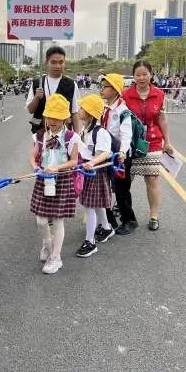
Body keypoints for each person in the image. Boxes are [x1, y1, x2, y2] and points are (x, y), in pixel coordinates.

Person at [29, 94, 81, 274]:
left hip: (62, 181)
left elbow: (74, 161)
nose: (52, 121)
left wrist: (57, 168)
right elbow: (33, 157)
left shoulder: (72, 137)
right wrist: (36, 168)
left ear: (65, 119)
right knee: (41, 220)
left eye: (57, 118)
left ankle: (56, 258)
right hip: (43, 180)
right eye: (50, 116)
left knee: (58, 221)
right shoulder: (40, 136)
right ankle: (47, 242)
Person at [123, 61, 173, 231]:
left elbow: (162, 119)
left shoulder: (159, 94)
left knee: (152, 178)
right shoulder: (126, 95)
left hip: (153, 141)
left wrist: (167, 141)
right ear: (133, 76)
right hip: (131, 142)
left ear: (151, 75)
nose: (141, 78)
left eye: (145, 74)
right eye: (138, 74)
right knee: (125, 179)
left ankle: (154, 216)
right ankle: (122, 208)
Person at [75, 94, 114, 258]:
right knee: (95, 203)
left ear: (90, 113)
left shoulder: (100, 132)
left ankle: (90, 242)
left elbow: (105, 152)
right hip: (86, 170)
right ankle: (106, 227)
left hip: (95, 171)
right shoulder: (85, 129)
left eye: (82, 108)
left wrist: (92, 162)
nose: (79, 110)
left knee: (89, 206)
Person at [99, 73, 135, 236]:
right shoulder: (104, 108)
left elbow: (126, 134)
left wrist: (122, 152)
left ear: (114, 90)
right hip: (106, 154)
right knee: (103, 187)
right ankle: (109, 221)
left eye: (105, 87)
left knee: (121, 190)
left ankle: (129, 221)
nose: (101, 89)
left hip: (120, 157)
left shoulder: (123, 111)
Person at [26, 46, 82, 132]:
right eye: (53, 62)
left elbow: (75, 113)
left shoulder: (71, 84)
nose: (57, 66)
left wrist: (77, 135)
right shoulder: (37, 83)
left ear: (64, 63)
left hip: (63, 134)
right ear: (46, 62)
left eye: (61, 62)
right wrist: (36, 97)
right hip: (40, 133)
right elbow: (30, 110)